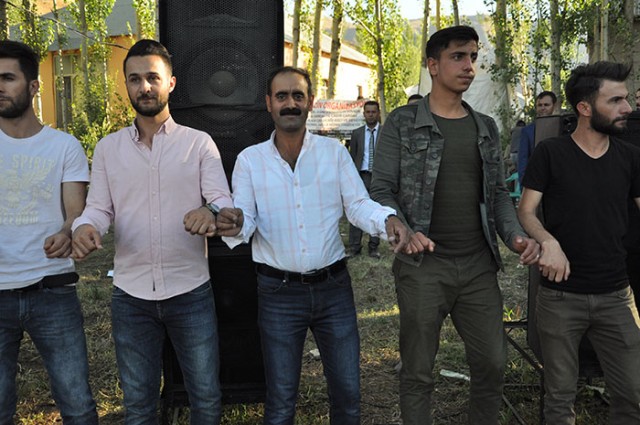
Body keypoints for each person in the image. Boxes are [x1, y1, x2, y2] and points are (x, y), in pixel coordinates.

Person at [219, 66, 411, 425]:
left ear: (310, 102)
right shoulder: (250, 160)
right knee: (280, 401)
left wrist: (387, 220)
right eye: (282, 96)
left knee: (348, 395)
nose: (290, 103)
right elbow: (246, 217)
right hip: (278, 293)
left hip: (333, 290)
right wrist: (235, 222)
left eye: (298, 96)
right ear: (268, 103)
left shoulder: (333, 154)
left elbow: (357, 205)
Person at [369, 25, 539, 425]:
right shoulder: (403, 122)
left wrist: (515, 236)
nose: (469, 66)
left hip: (478, 266)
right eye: (458, 57)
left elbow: (498, 194)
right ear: (433, 65)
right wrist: (400, 226)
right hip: (423, 268)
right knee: (417, 370)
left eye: (473, 57)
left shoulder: (485, 127)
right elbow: (381, 188)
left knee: (493, 363)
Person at [71, 39, 239, 424]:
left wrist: (210, 211)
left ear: (171, 83)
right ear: (126, 86)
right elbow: (98, 208)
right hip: (130, 296)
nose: (144, 87)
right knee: (138, 405)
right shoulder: (108, 149)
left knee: (205, 399)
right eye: (135, 79)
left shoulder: (198, 144)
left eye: (152, 78)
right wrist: (85, 227)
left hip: (190, 291)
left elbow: (221, 200)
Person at [518, 61, 640, 425]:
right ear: (585, 108)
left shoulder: (631, 157)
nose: (627, 108)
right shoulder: (550, 153)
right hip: (559, 298)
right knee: (559, 400)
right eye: (615, 100)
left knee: (633, 395)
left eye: (626, 98)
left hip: (617, 296)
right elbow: (526, 211)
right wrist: (547, 241)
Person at [0, 40, 99, 425]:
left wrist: (66, 231)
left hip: (52, 289)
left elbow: (75, 214)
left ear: (33, 86)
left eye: (7, 78)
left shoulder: (63, 147)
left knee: (77, 405)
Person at [347, 100, 383, 258]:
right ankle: (354, 246)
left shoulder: (385, 132)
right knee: (357, 210)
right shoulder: (357, 133)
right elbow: (353, 156)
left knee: (377, 211)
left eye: (373, 112)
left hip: (379, 177)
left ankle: (373, 247)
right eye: (368, 112)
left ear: (378, 113)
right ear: (364, 114)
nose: (370, 115)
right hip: (361, 176)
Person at [517, 90, 557, 184]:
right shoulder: (527, 131)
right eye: (540, 105)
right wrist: (524, 185)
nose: (543, 108)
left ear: (554, 106)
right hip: (537, 181)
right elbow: (523, 160)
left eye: (546, 105)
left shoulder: (563, 128)